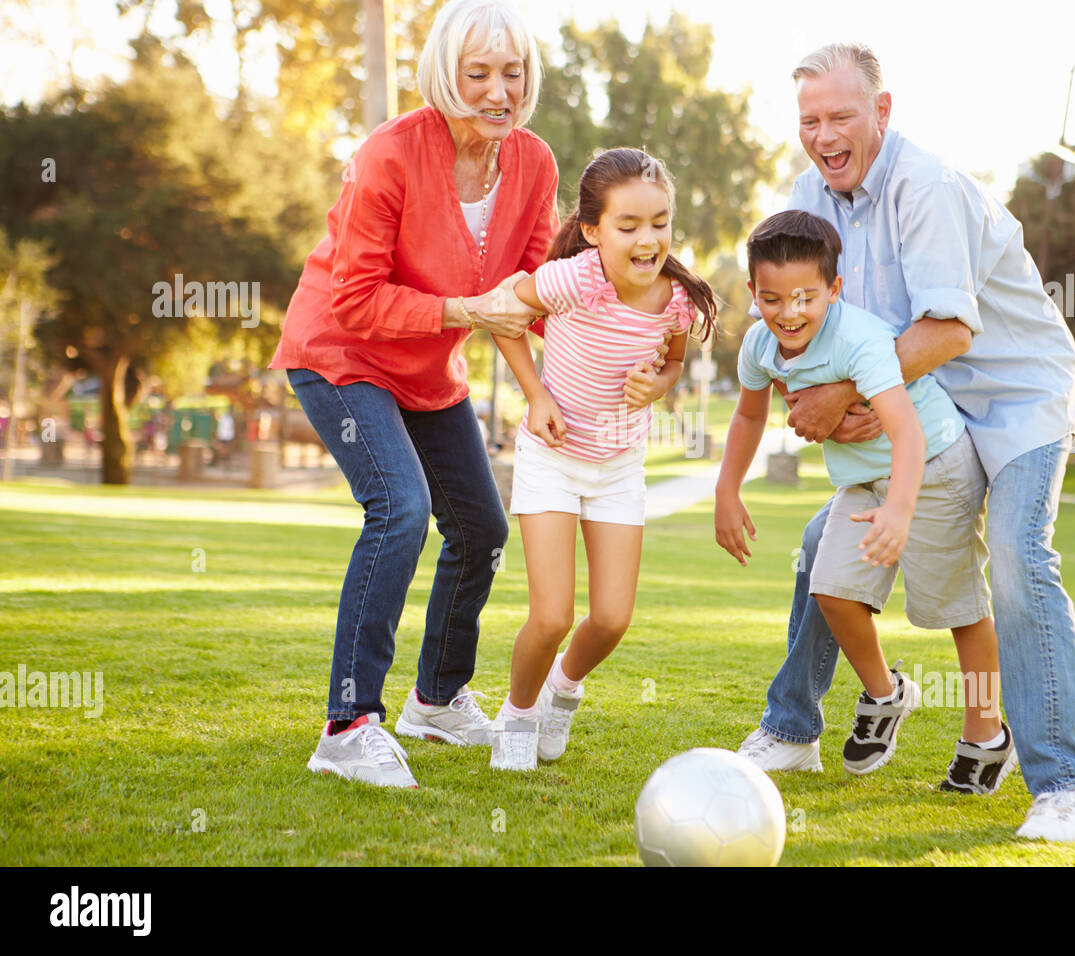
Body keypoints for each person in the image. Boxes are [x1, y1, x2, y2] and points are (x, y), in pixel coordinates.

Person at [737, 43, 1075, 842]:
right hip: (924, 403)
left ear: (881, 111)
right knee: (820, 546)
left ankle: (1073, 787)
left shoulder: (928, 187)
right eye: (810, 120)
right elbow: (809, 313)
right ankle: (793, 730)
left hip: (1015, 400)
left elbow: (947, 327)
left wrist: (846, 391)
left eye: (841, 115)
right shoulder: (813, 191)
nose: (824, 134)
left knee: (1019, 557)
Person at [269, 0, 558, 788]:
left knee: (482, 528)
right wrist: (468, 310)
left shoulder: (533, 163)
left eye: (513, 73)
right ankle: (348, 723)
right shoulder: (388, 156)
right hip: (341, 354)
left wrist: (602, 355)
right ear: (445, 76)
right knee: (400, 509)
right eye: (479, 75)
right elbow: (356, 299)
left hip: (429, 371)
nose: (499, 91)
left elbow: (529, 293)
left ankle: (436, 699)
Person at [716, 211, 1014, 793]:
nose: (789, 312)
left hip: (933, 472)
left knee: (960, 612)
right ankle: (887, 694)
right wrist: (727, 489)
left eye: (806, 296)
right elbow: (749, 413)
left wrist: (901, 509)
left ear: (834, 289)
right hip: (861, 482)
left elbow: (909, 433)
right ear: (753, 294)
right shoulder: (759, 345)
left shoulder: (859, 340)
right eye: (773, 298)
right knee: (830, 589)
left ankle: (986, 735)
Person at [486, 148, 717, 770]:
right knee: (552, 613)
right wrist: (533, 396)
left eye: (660, 222)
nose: (649, 239)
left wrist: (661, 386)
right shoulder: (575, 279)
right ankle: (518, 711)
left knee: (612, 618)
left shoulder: (676, 300)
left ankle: (564, 688)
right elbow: (505, 315)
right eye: (629, 225)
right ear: (592, 231)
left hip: (618, 465)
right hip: (553, 458)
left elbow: (672, 359)